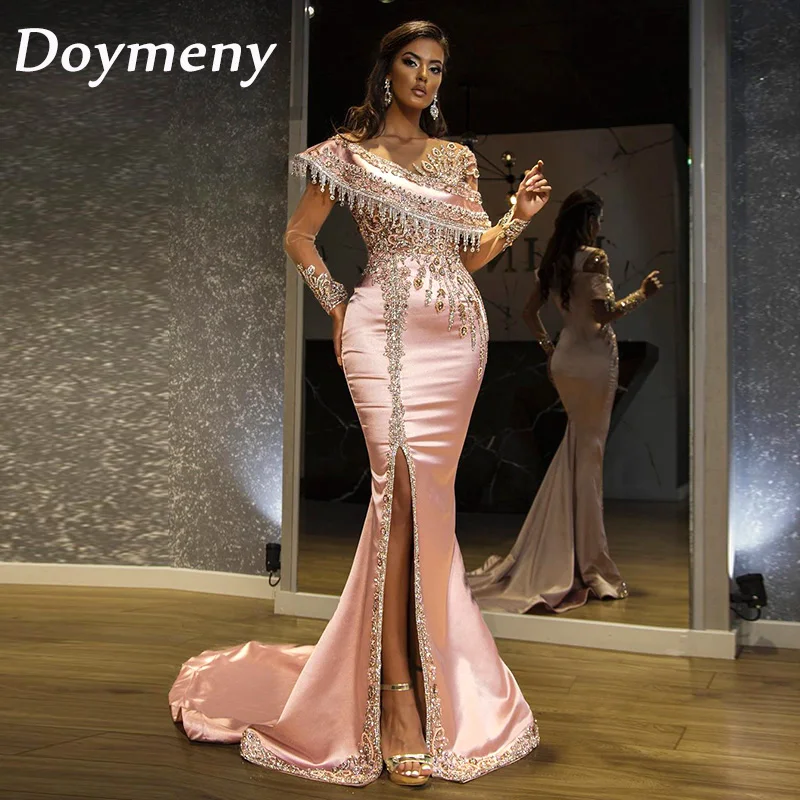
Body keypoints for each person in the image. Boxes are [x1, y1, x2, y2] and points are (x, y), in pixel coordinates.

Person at [169, 20, 552, 787]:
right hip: (383, 330)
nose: (425, 77)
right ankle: (398, 696)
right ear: (387, 72)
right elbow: (299, 236)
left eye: (437, 66)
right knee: (398, 492)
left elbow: (471, 252)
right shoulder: (344, 156)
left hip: (457, 334)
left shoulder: (456, 159)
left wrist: (517, 218)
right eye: (412, 62)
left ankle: (417, 677)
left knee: (424, 506)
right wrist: (337, 303)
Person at [468, 189, 662, 614]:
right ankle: (591, 564)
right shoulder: (593, 258)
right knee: (587, 461)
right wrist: (643, 293)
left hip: (568, 359)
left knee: (576, 456)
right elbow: (603, 314)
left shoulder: (554, 262)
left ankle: (570, 554)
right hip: (593, 362)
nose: (600, 226)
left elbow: (529, 313)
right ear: (588, 219)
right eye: (599, 218)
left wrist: (550, 349)